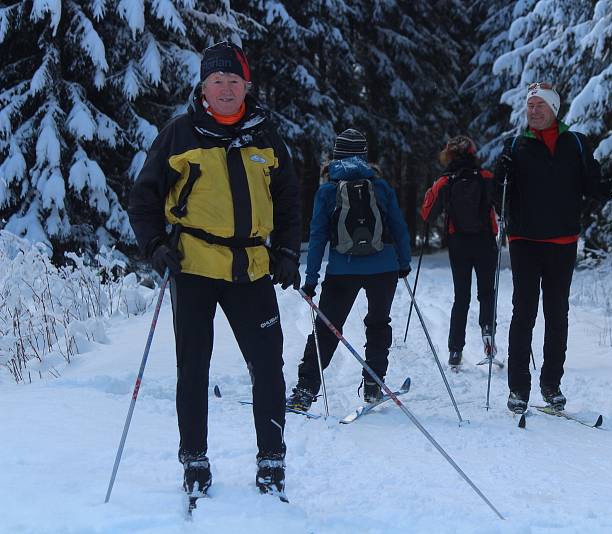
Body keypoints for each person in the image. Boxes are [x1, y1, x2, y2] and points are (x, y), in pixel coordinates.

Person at [128, 41, 300, 499]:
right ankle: (195, 460)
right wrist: (155, 246)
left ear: (247, 85)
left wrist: (287, 251)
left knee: (268, 367)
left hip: (252, 267)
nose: (226, 89)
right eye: (217, 81)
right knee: (194, 368)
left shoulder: (266, 136)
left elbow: (287, 200)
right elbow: (144, 198)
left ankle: (271, 460)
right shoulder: (180, 134)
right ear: (204, 87)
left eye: (233, 81)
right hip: (194, 265)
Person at [286, 129, 412, 411]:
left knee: (327, 328)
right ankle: (373, 386)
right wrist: (403, 262)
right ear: (364, 156)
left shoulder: (328, 189)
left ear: (336, 155)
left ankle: (305, 390)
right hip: (384, 268)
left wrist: (311, 279)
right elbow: (399, 226)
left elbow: (317, 236)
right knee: (378, 324)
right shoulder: (379, 186)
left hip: (343, 270)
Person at [495, 82, 602, 414]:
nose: (534, 110)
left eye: (540, 105)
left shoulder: (575, 144)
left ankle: (551, 384)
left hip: (563, 242)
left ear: (555, 109)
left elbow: (591, 188)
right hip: (525, 241)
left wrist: (606, 186)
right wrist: (501, 178)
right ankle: (518, 388)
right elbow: (496, 196)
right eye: (530, 106)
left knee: (557, 315)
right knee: (523, 314)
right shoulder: (515, 145)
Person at [420, 135, 498, 369]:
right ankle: (488, 332)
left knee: (461, 297)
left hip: (459, 243)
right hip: (485, 241)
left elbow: (427, 214)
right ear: (473, 153)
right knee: (486, 292)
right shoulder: (486, 177)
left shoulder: (446, 181)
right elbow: (505, 205)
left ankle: (455, 350)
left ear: (449, 155)